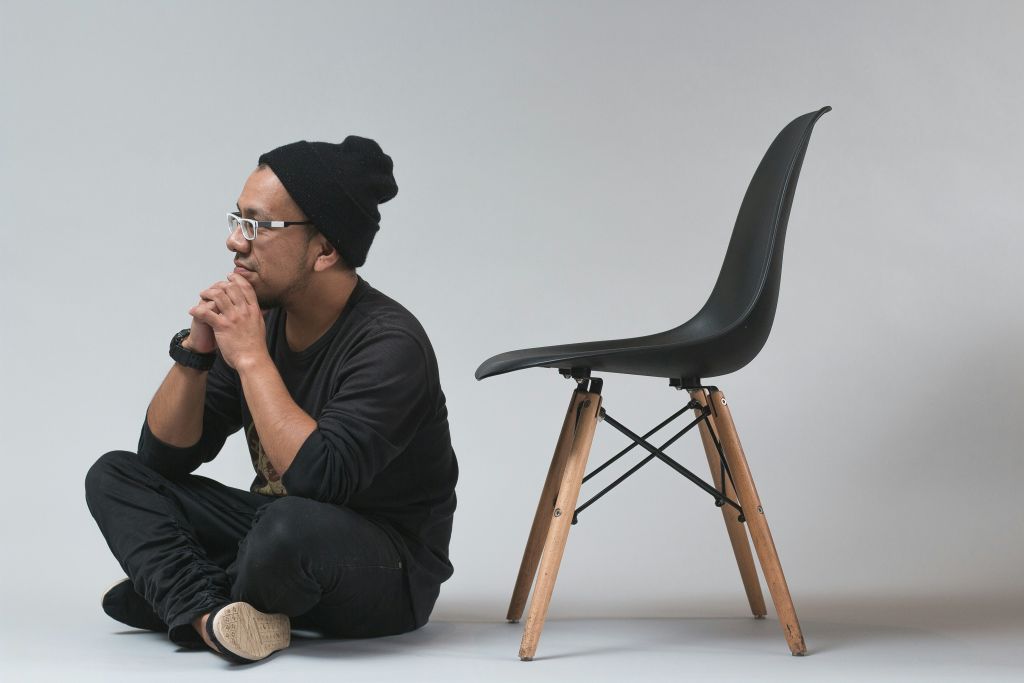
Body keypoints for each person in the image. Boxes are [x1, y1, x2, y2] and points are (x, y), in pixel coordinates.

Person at [84, 137, 458, 664]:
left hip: (387, 570)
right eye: (237, 220)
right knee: (114, 476)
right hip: (274, 539)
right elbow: (162, 460)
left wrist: (253, 360)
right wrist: (196, 351)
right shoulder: (262, 323)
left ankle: (180, 590)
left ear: (324, 249)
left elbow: (320, 480)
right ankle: (212, 616)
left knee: (287, 529)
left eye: (258, 226)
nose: (236, 242)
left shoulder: (390, 344)